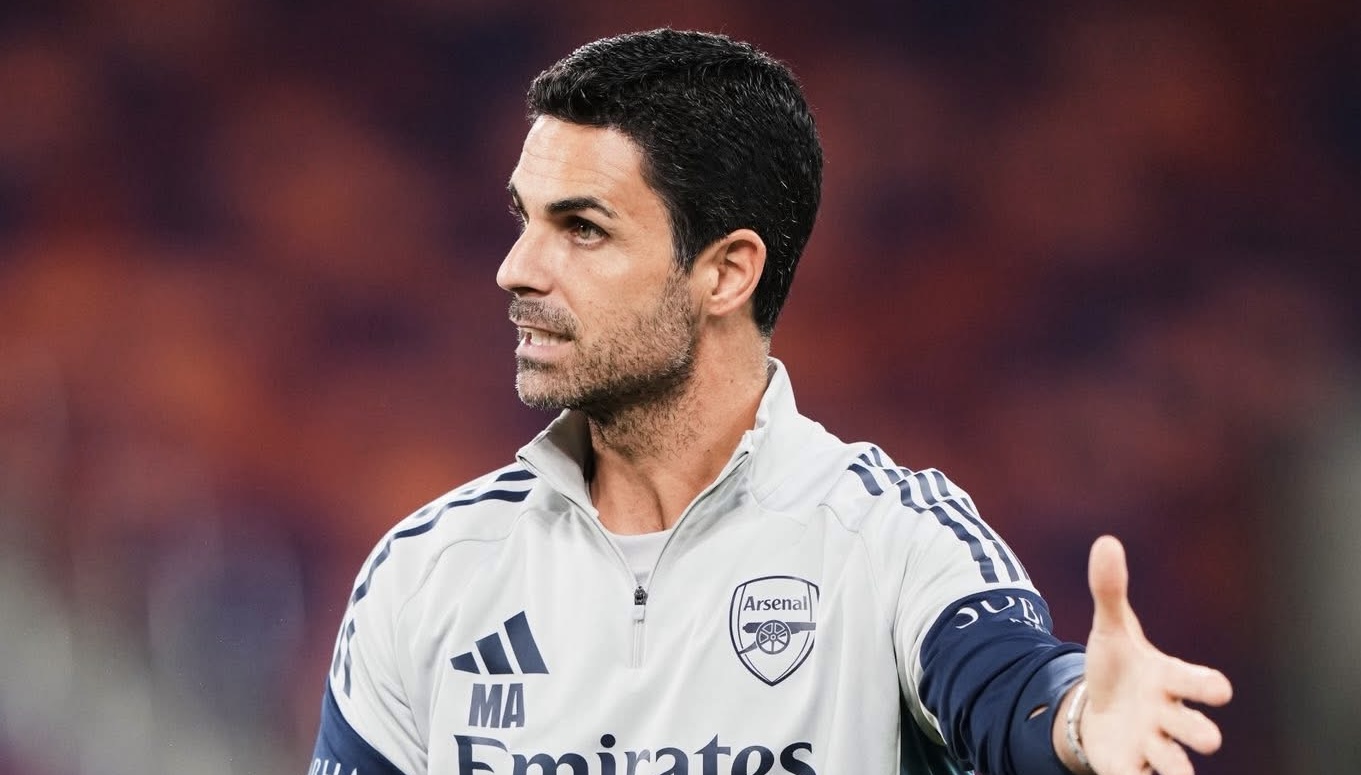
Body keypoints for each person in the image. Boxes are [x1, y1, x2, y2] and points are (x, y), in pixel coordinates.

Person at [308, 28, 1231, 775]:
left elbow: (1005, 688)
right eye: (525, 219)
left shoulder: (887, 542)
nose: (516, 269)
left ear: (725, 272)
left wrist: (1075, 720)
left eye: (581, 228)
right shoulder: (428, 574)